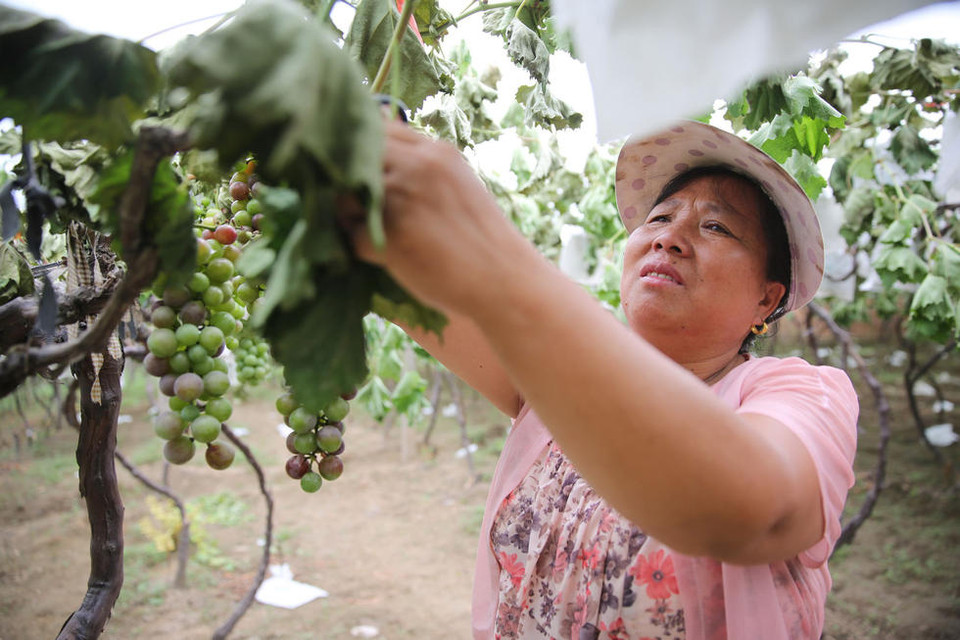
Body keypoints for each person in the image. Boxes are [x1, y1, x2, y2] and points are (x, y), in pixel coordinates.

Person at [347, 119, 859, 640]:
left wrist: (493, 250)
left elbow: (753, 512)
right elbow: (390, 278)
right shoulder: (559, 377)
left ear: (766, 300)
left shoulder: (801, 394)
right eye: (660, 217)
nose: (669, 238)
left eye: (716, 227)